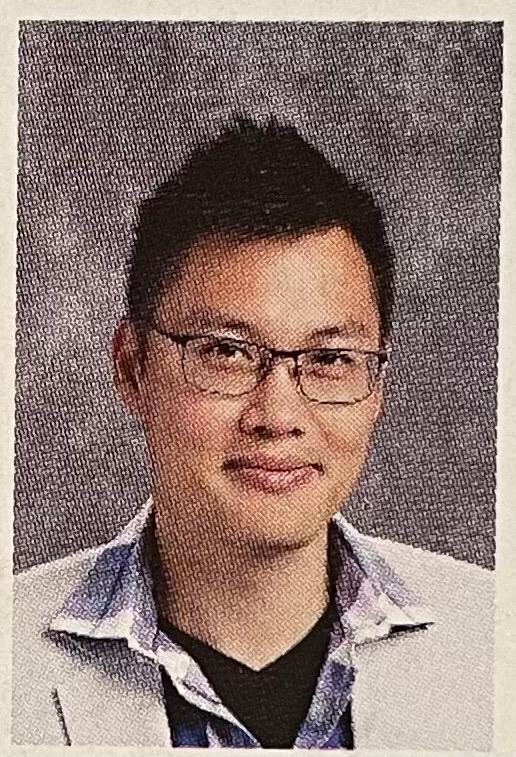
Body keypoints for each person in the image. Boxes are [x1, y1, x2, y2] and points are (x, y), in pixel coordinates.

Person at [12, 117, 493, 750]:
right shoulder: (11, 661)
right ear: (132, 369)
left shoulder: (494, 644)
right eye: (227, 353)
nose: (278, 416)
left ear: (377, 384)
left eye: (330, 359)